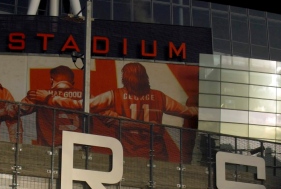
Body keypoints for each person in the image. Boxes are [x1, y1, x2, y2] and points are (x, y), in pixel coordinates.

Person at [55, 62, 197, 160]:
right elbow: (188, 112)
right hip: (156, 153)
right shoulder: (159, 96)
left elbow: (80, 105)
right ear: (145, 77)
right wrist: (212, 113)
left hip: (127, 152)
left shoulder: (114, 95)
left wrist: (50, 98)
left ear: (125, 78)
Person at [21, 65, 84, 147]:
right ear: (72, 83)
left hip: (50, 149)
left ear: (51, 80)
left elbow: (17, 109)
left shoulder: (39, 95)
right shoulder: (86, 97)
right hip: (78, 147)